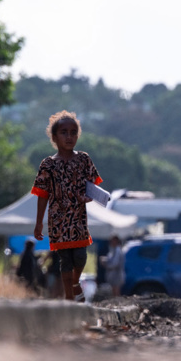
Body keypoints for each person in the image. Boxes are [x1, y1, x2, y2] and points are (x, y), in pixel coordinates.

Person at [32, 110, 103, 302]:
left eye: (73, 132)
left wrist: (88, 196)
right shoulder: (48, 164)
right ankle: (70, 298)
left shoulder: (83, 159)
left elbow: (92, 185)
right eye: (64, 132)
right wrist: (39, 223)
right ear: (54, 137)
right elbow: (42, 194)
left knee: (80, 257)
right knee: (65, 260)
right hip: (58, 219)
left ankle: (74, 283)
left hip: (78, 218)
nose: (69, 136)